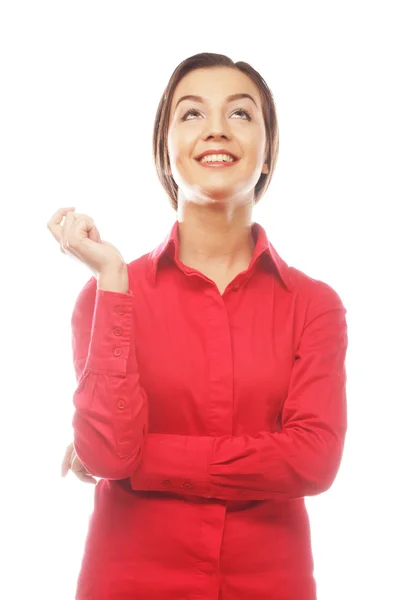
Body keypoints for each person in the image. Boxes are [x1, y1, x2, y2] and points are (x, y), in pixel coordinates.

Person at [48, 52, 348, 600]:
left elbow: (314, 458)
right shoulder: (106, 296)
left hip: (269, 584)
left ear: (265, 153)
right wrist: (113, 276)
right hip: (128, 581)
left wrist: (144, 458)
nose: (216, 129)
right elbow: (110, 455)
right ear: (166, 153)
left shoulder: (314, 305)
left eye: (239, 114)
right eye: (191, 114)